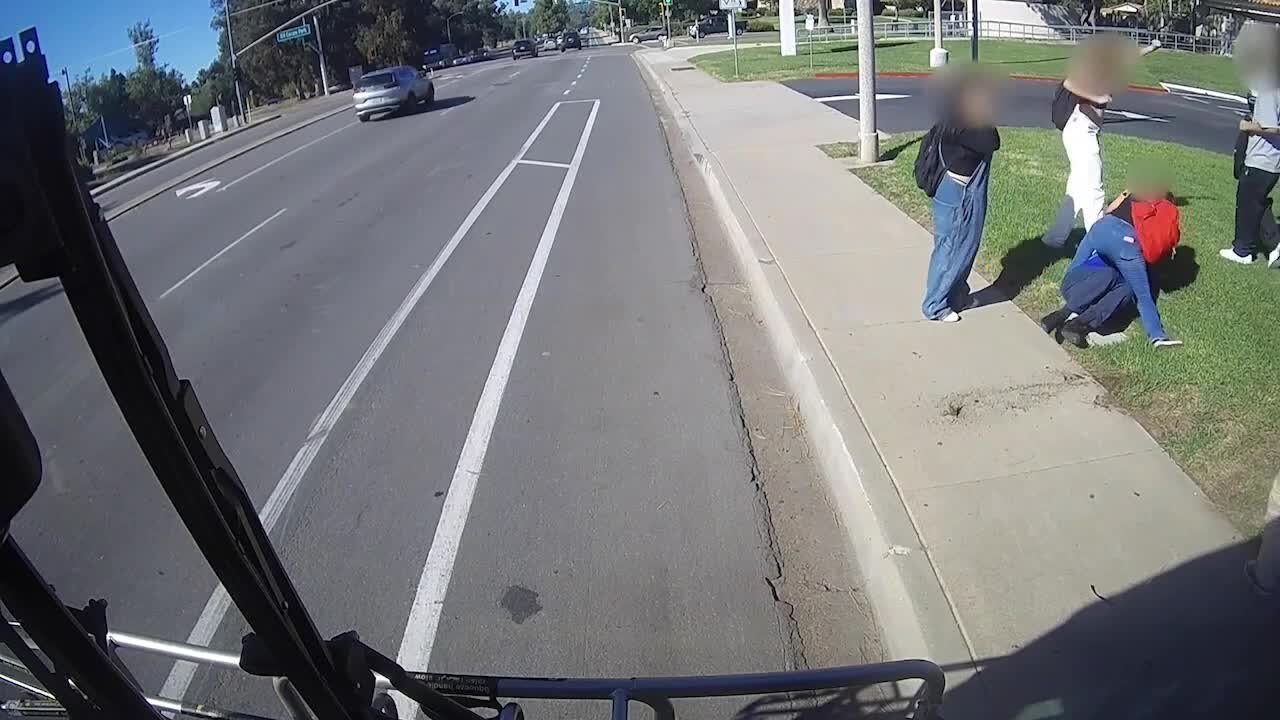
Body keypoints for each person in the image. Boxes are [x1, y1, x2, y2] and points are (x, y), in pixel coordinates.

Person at [1042, 38, 1161, 249]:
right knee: (1094, 188)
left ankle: (1054, 238)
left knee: (1077, 189)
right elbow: (1070, 83)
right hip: (1080, 131)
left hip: (1083, 130)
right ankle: (1099, 244)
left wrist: (1151, 47)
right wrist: (1097, 97)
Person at [1040, 184, 1182, 348]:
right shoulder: (1158, 219)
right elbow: (1159, 256)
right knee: (1136, 291)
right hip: (1126, 245)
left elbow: (1108, 211)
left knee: (1112, 277)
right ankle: (1157, 336)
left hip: (1078, 276)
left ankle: (1064, 315)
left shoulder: (1132, 200)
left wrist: (1126, 192)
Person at [921, 72, 1000, 323]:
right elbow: (991, 141)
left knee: (962, 245)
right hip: (957, 192)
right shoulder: (969, 121)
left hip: (950, 187)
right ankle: (935, 305)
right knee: (952, 246)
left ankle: (957, 295)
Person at [1222, 70, 1280, 266]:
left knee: (1247, 205)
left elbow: (1271, 127)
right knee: (1257, 204)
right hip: (1270, 161)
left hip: (1262, 160)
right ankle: (1273, 244)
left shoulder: (1269, 93)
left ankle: (1242, 251)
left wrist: (1248, 127)